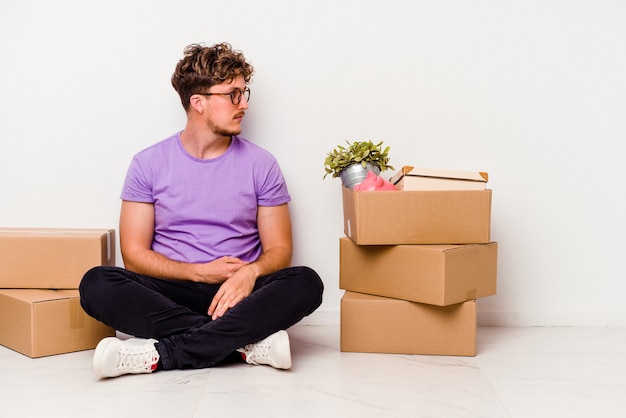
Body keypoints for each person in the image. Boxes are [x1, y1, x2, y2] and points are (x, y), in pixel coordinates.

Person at [79, 42, 324, 378]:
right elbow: (134, 255)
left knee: (306, 283)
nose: (245, 104)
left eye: (244, 92)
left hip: (240, 292)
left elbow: (280, 250)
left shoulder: (262, 165)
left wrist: (248, 274)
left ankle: (160, 355)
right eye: (233, 94)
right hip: (173, 289)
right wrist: (198, 272)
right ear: (199, 102)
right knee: (96, 284)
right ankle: (244, 344)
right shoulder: (148, 164)